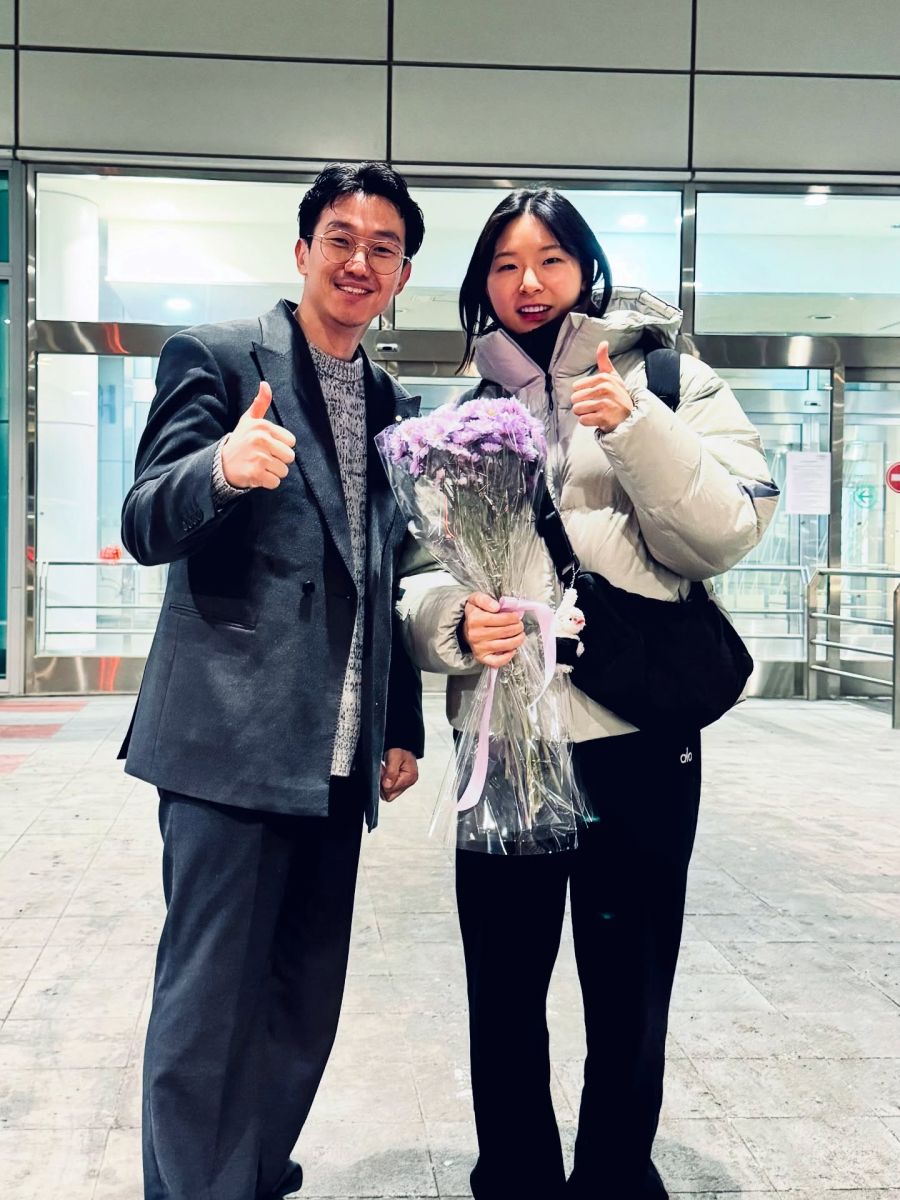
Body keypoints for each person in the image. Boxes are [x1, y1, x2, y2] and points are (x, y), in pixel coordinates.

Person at [399, 188, 779, 1200]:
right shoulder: (460, 417)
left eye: (551, 260)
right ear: (482, 282)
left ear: (587, 268)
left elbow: (728, 532)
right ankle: (515, 1177)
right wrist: (451, 626)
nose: (528, 284)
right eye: (506, 265)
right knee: (503, 989)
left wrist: (636, 426)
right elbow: (416, 572)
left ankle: (616, 1175)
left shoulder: (670, 382)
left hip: (635, 735)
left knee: (629, 987)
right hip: (505, 741)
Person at [119, 162, 426, 1200]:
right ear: (303, 251)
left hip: (334, 756)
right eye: (341, 238)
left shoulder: (390, 403)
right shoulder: (215, 357)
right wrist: (220, 468)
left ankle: (250, 1177)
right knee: (208, 1007)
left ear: (402, 275)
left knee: (301, 1002)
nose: (359, 261)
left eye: (383, 248)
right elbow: (144, 517)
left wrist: (399, 723)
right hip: (229, 743)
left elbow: (383, 574)